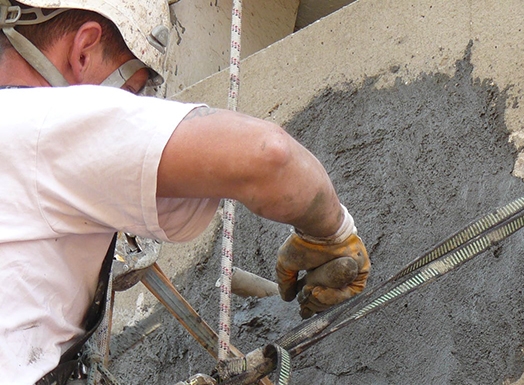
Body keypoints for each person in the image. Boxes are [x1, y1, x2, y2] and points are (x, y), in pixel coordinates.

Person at [0, 0, 370, 383]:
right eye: (130, 90)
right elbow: (268, 157)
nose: (128, 106)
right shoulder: (41, 126)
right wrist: (333, 235)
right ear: (83, 51)